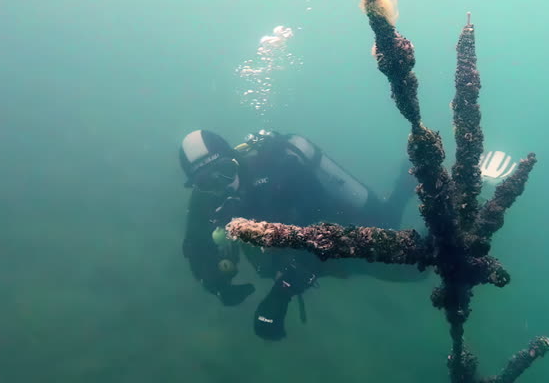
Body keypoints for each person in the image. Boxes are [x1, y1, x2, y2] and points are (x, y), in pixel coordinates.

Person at [179, 128, 423, 340]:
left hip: (332, 233)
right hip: (290, 251)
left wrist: (282, 292)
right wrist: (217, 284)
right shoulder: (206, 199)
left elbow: (323, 231)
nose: (220, 184)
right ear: (197, 186)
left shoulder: (280, 170)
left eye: (224, 171)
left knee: (404, 256)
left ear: (235, 159)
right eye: (206, 182)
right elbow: (196, 246)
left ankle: (404, 187)